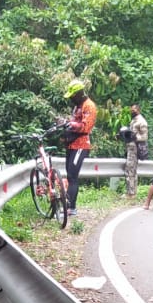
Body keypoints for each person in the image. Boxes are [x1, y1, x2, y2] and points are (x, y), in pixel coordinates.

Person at [62, 79, 97, 217]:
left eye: (72, 95)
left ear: (79, 93)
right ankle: (69, 206)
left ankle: (71, 207)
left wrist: (70, 124)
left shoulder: (89, 106)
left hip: (81, 145)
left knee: (72, 176)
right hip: (71, 144)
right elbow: (74, 121)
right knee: (69, 175)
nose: (70, 98)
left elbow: (85, 126)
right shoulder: (77, 106)